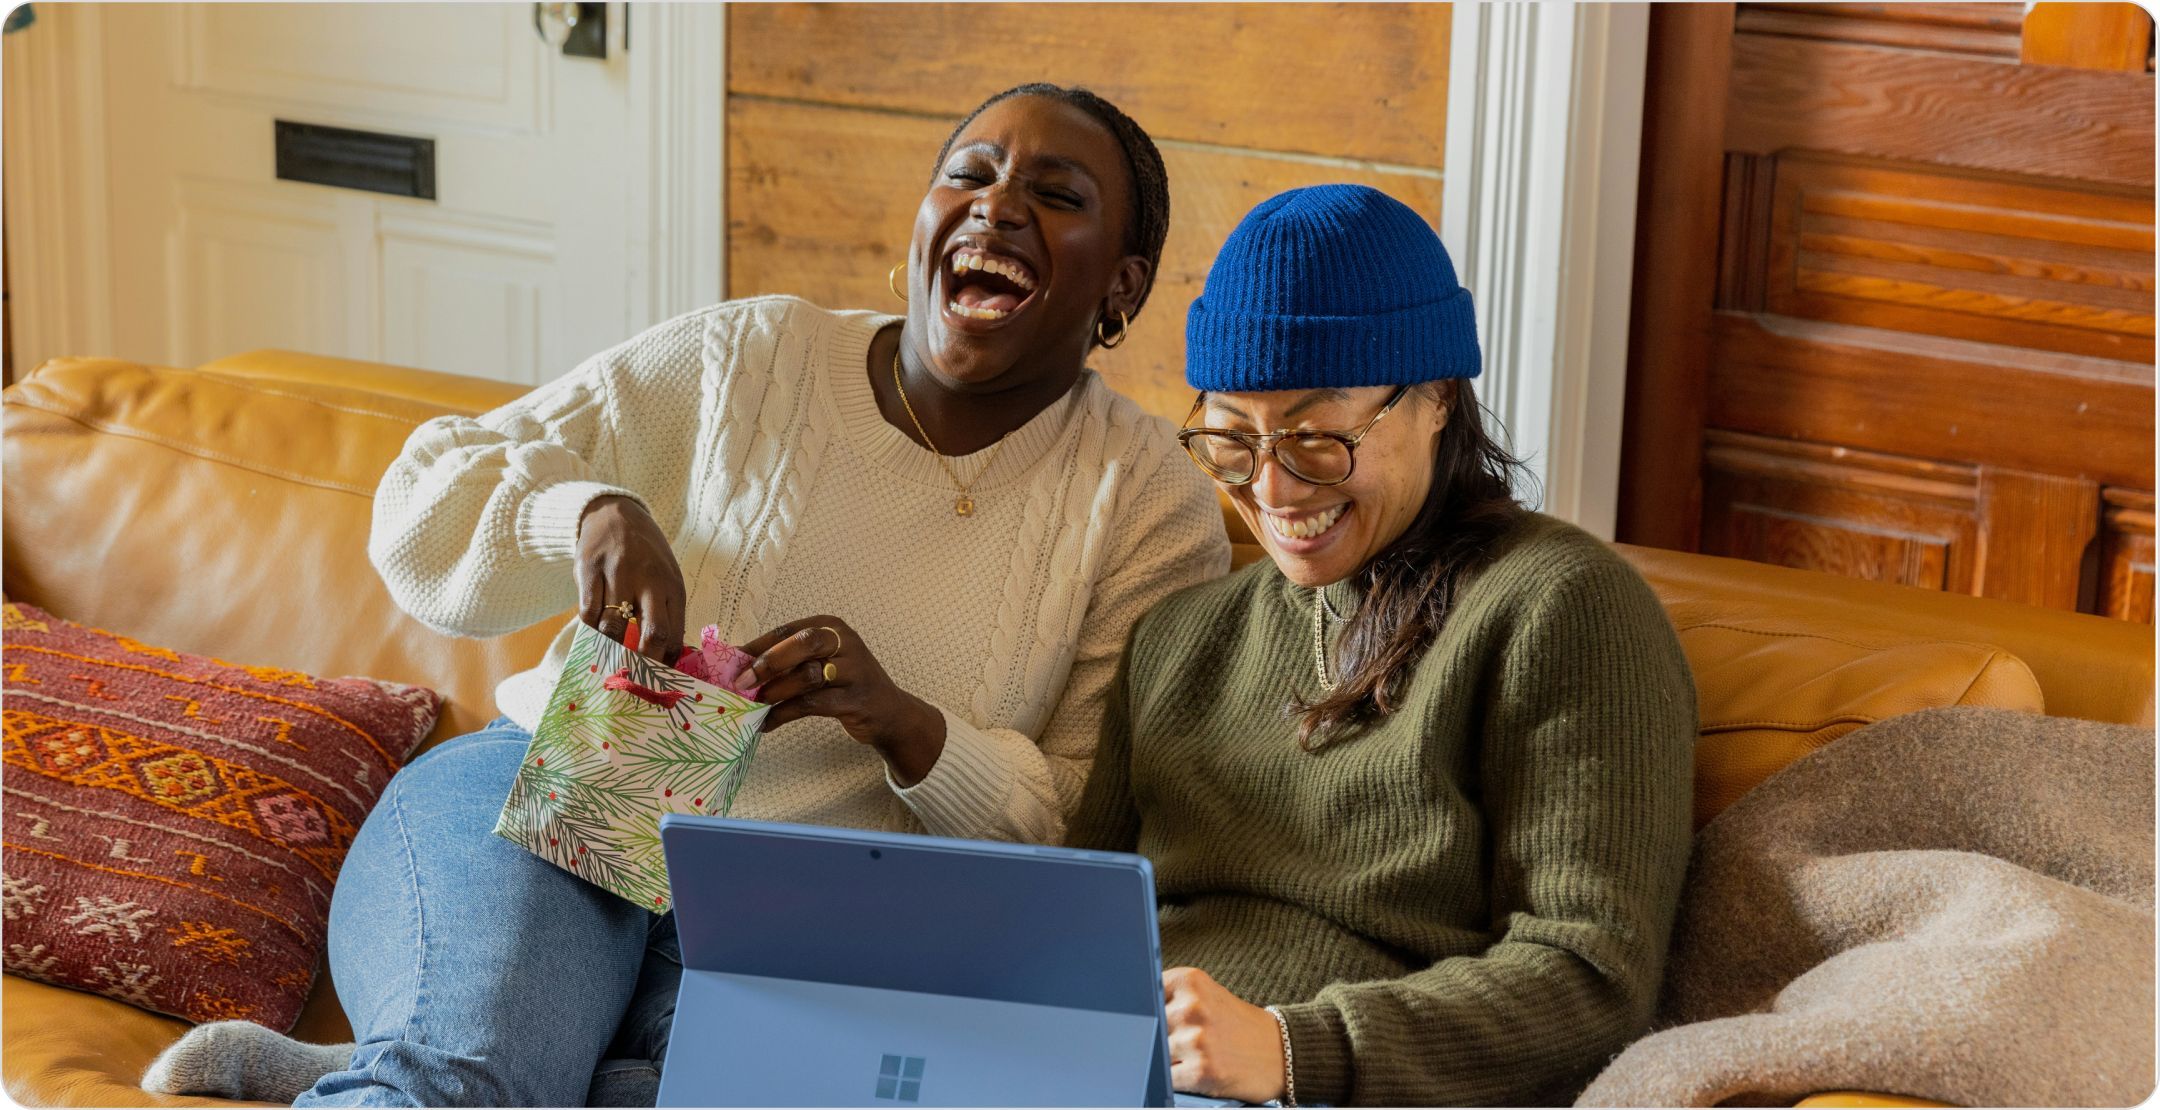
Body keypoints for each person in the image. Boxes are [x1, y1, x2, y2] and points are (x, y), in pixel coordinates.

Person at [141, 83, 1229, 1108]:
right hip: (566, 797)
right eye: (972, 174)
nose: (997, 207)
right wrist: (586, 513)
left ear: (1121, 288)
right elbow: (420, 502)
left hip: (808, 924)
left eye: (1055, 194)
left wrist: (911, 731)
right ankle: (443, 1057)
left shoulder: (1148, 505)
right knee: (465, 1085)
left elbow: (1089, 837)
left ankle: (394, 1062)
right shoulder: (754, 358)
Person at [1067, 184, 1698, 1107]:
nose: (1273, 488)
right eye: (1234, 439)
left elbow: (1590, 973)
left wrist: (1293, 1048)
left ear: (1437, 395)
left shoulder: (1559, 607)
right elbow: (1075, 929)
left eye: (1319, 436)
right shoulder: (1177, 639)